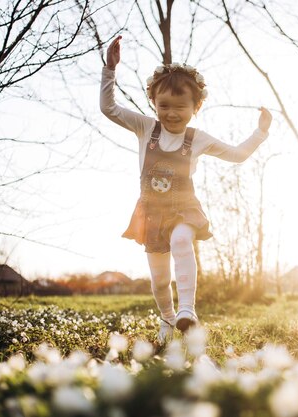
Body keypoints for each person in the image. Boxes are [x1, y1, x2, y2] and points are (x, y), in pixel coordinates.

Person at [100, 35, 272, 344]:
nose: (171, 113)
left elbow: (236, 155)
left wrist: (260, 132)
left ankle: (188, 310)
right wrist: (109, 70)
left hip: (183, 208)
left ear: (196, 106)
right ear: (154, 103)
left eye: (180, 106)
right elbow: (109, 108)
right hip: (150, 213)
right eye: (164, 106)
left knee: (182, 240)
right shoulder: (145, 128)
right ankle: (167, 318)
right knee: (159, 280)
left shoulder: (199, 139)